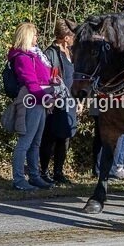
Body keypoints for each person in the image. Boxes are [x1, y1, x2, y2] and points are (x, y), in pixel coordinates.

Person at [6, 23, 56, 190]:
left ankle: (34, 176)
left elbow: (42, 78)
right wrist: (47, 98)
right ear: (27, 36)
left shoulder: (34, 55)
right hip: (32, 101)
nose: (37, 38)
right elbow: (32, 83)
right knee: (25, 142)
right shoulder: (22, 57)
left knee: (36, 142)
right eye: (34, 35)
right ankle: (19, 180)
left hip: (39, 101)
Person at [40, 20, 78, 185]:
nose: (75, 38)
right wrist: (50, 100)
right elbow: (45, 78)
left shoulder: (72, 52)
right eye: (73, 35)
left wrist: (79, 100)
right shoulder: (50, 53)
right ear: (66, 37)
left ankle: (58, 172)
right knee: (49, 137)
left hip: (70, 101)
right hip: (55, 101)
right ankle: (43, 171)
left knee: (65, 137)